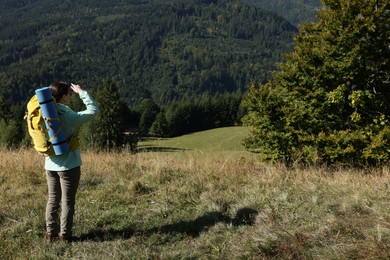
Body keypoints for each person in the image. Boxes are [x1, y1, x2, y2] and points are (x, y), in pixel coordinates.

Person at [45, 82, 99, 243]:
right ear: (63, 96)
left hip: (50, 164)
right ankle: (65, 236)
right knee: (67, 201)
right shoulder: (68, 117)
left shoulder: (46, 113)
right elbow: (94, 110)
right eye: (69, 92)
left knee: (53, 199)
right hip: (68, 166)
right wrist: (82, 92)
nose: (70, 94)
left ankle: (50, 234)